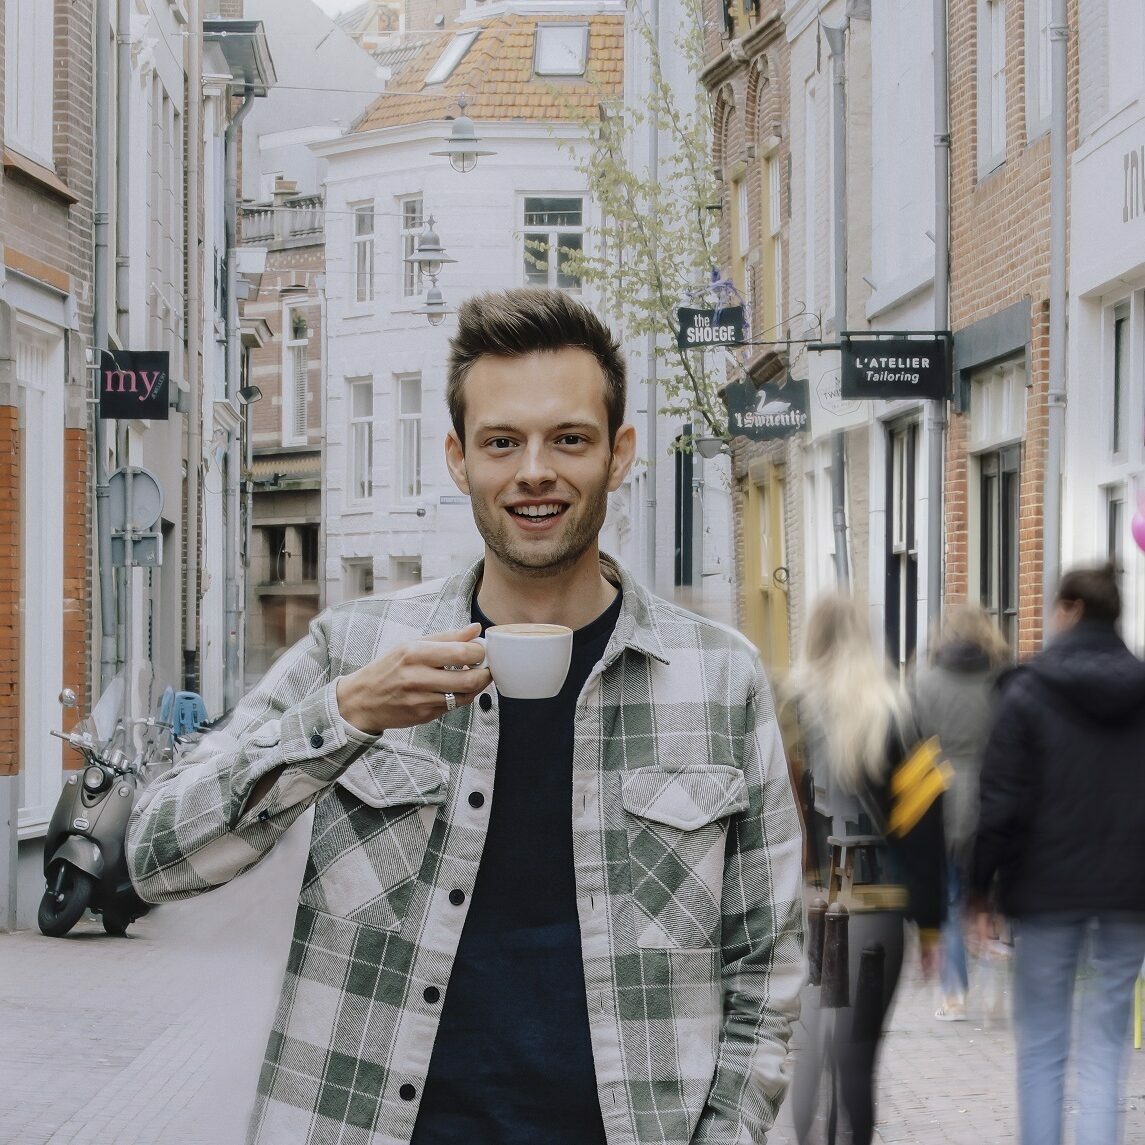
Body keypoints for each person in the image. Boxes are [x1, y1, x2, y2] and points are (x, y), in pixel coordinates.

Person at [127, 287, 806, 1145]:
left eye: (568, 438)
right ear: (458, 459)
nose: (533, 470)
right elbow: (156, 856)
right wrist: (345, 715)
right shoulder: (355, 650)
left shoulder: (718, 678)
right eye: (500, 442)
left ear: (619, 452)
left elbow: (767, 967)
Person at [971, 562, 1145, 1145]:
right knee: (1106, 1049)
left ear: (1070, 609)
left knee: (1043, 1047)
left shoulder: (1027, 691)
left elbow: (999, 803)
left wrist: (978, 889)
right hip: (1129, 895)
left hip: (1044, 896)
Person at [786, 595, 946, 1145]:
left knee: (802, 1053)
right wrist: (929, 925)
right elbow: (926, 830)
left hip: (802, 909)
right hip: (876, 908)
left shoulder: (785, 713)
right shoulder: (896, 712)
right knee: (857, 1060)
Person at [911, 603, 1008, 1020]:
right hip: (994, 796)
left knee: (950, 898)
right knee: (989, 896)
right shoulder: (1003, 680)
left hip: (941, 798)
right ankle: (994, 979)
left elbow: (909, 743)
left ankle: (954, 994)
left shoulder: (924, 680)